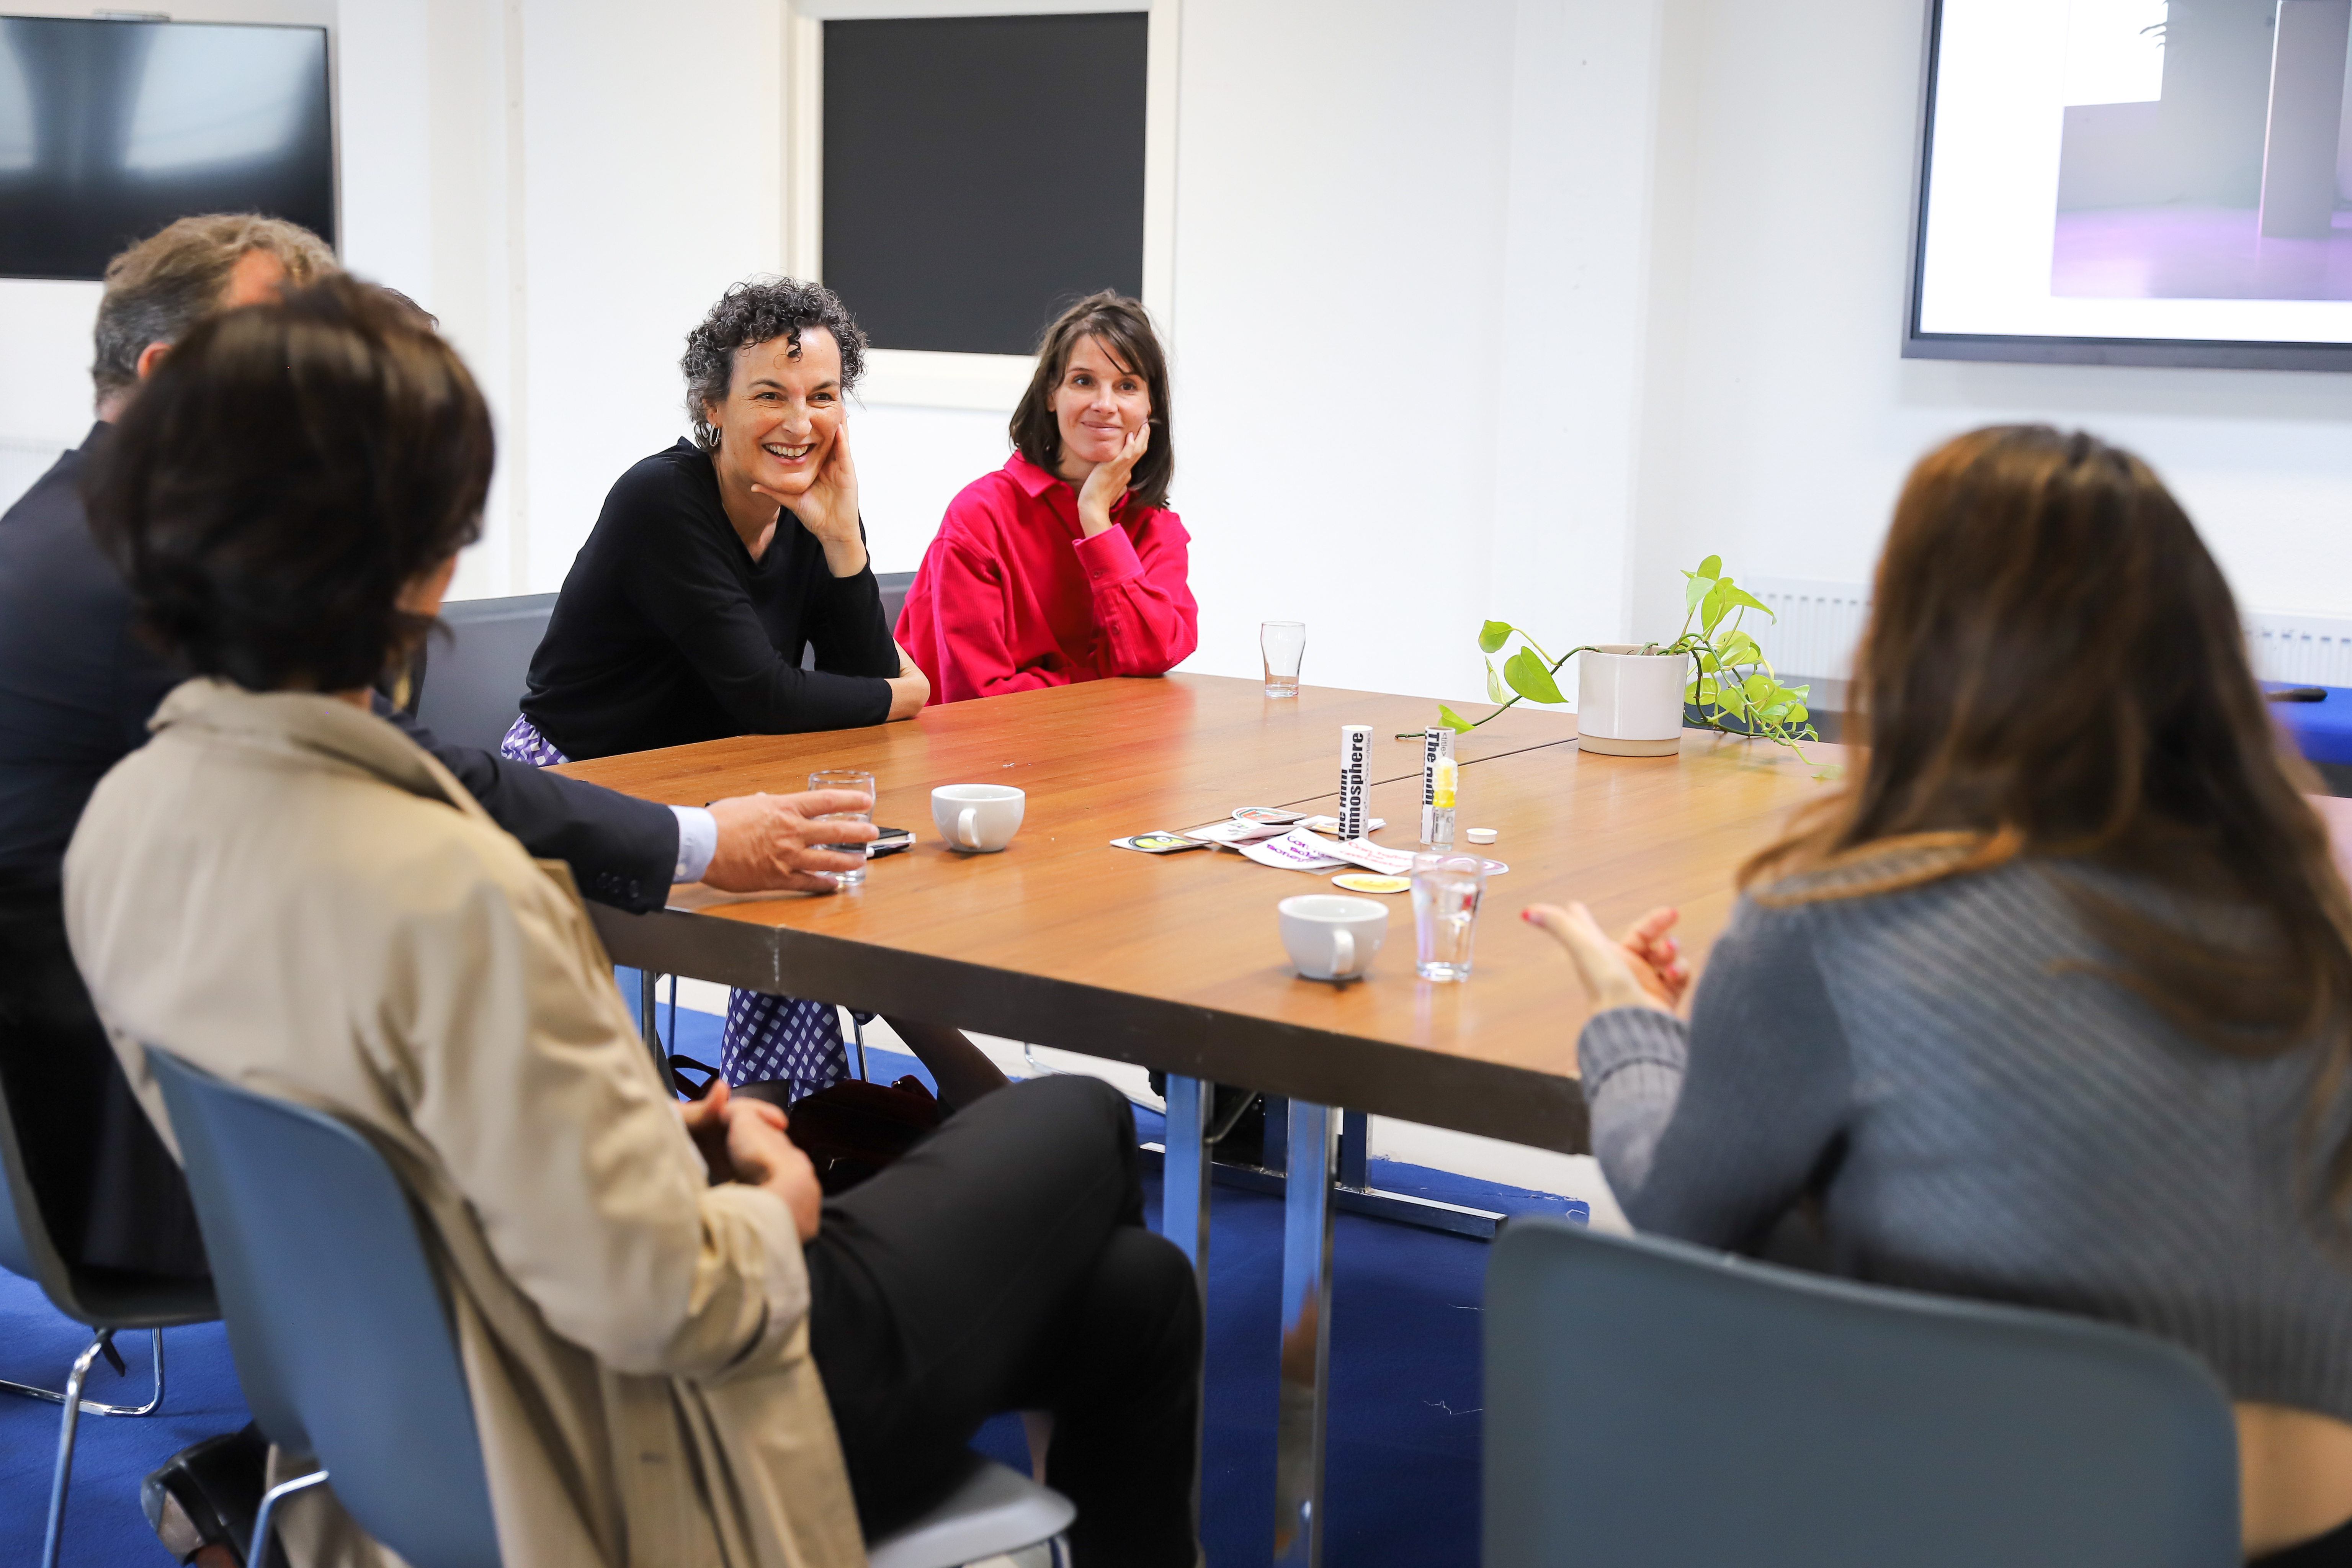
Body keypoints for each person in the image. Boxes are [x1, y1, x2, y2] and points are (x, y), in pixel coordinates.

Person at [67, 276, 1201, 1568]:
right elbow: (674, 1295)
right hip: (642, 1439)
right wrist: (771, 1193)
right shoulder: (460, 896)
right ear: (428, 559)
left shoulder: (128, 822)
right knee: (1080, 1119)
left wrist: (643, 1132)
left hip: (405, 1405)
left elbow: (392, 1154)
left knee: (1134, 1294)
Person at [1526, 425, 2352, 1564]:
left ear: (1918, 642)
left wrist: (1624, 1023)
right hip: (2313, 1525)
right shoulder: (2304, 908)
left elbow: (1681, 1206)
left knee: (1781, 1226)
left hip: (2009, 1519)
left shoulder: (1839, 913)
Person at [506, 278, 1000, 1107]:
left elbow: (855, 682)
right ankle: (772, 1119)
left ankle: (815, 1114)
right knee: (794, 868)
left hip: (717, 771)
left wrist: (842, 538)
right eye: (769, 395)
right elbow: (768, 695)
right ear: (712, 406)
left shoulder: (810, 509)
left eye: (823, 396)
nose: (800, 424)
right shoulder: (661, 499)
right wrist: (900, 694)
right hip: (583, 777)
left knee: (831, 848)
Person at [895, 291, 1196, 704]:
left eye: (1126, 385)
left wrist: (1095, 518)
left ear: (1150, 407)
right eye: (1083, 381)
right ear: (1051, 394)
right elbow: (978, 697)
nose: (1104, 405)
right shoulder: (979, 517)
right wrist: (1105, 680)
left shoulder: (1158, 532)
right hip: (972, 760)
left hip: (1104, 755)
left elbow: (1154, 655)